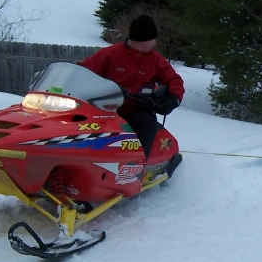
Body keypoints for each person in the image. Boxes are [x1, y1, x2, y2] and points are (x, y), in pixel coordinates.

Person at [78, 15, 185, 157]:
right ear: (145, 40)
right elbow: (82, 71)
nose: (154, 43)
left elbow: (174, 80)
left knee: (146, 122)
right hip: (104, 108)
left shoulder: (155, 60)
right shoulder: (110, 54)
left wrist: (172, 99)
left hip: (135, 110)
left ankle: (138, 167)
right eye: (153, 39)